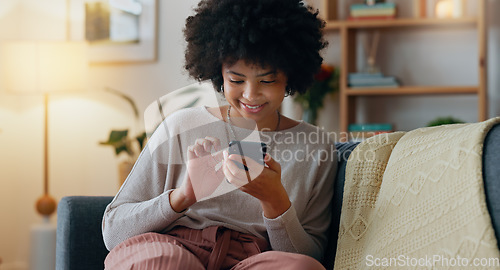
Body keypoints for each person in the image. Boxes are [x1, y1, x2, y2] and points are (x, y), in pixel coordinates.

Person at [102, 0, 337, 269]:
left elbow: (311, 256)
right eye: (236, 80)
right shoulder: (181, 126)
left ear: (290, 77)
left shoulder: (317, 147)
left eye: (267, 80)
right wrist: (183, 196)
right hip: (171, 246)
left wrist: (276, 202)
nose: (250, 94)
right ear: (219, 75)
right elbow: (113, 231)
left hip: (253, 258)